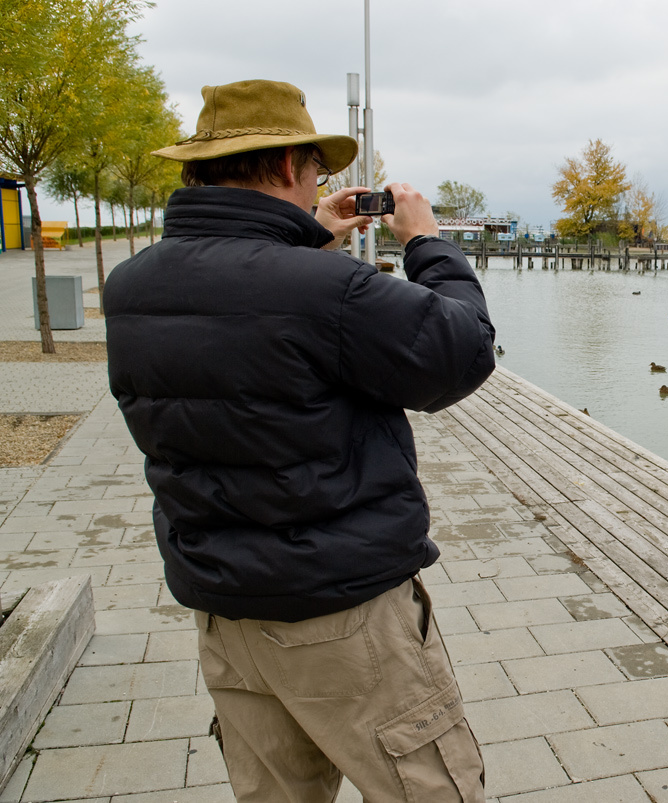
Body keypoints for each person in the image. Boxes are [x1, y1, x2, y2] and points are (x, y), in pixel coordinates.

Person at [105, 79, 494, 801]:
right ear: (289, 164)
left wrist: (308, 230)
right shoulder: (323, 288)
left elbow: (252, 319)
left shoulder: (130, 285)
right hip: (341, 618)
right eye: (316, 168)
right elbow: (461, 350)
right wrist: (427, 243)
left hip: (226, 614)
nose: (319, 180)